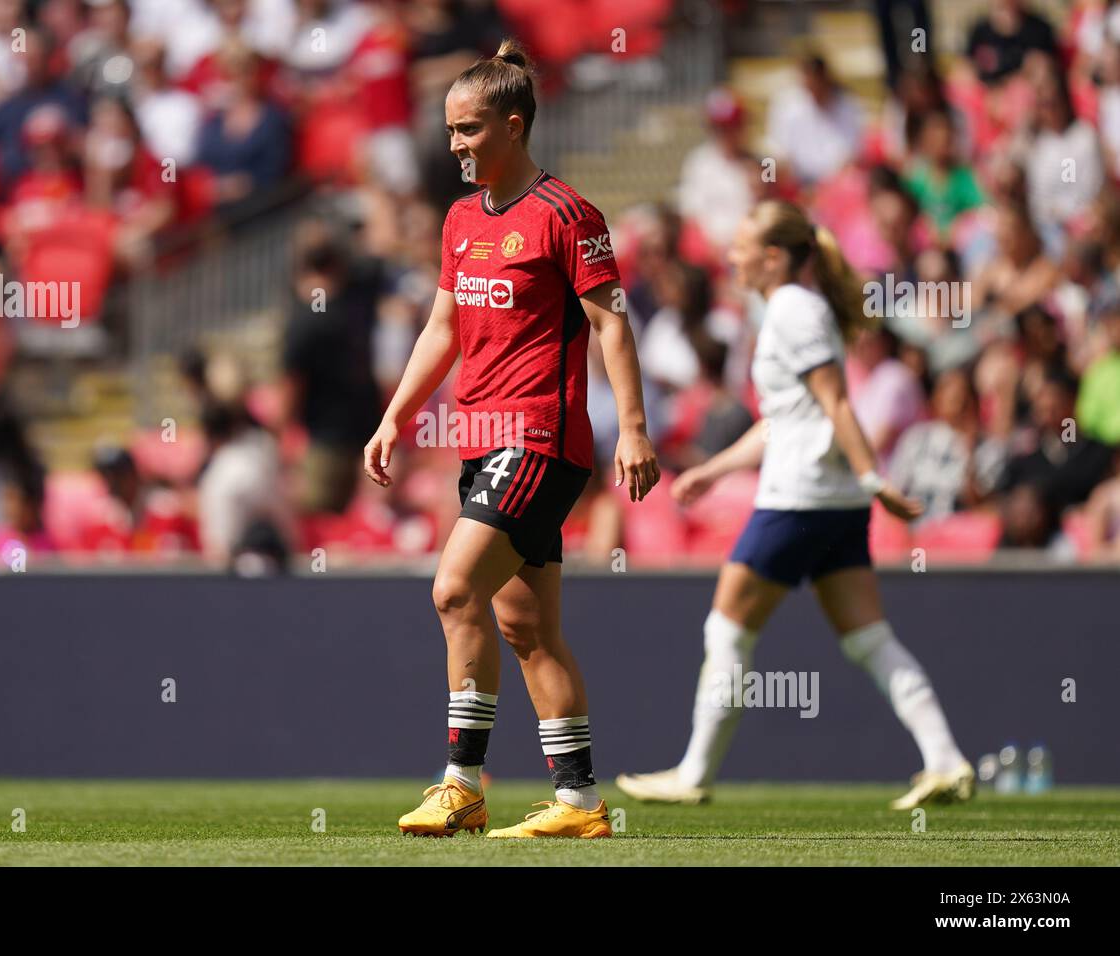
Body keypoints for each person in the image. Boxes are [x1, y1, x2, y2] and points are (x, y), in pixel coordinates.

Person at [363, 38, 659, 839]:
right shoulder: (461, 219)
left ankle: (461, 783)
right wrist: (396, 414)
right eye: (450, 130)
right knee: (529, 629)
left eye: (468, 130)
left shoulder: (567, 214)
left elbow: (612, 325)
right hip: (480, 440)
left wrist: (633, 429)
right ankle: (580, 802)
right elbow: (443, 326)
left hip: (540, 437)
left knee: (453, 589)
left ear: (514, 124)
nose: (454, 145)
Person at [616, 199, 975, 811]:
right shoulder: (793, 310)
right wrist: (714, 468)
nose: (731, 255)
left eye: (743, 245)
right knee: (868, 639)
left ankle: (693, 773)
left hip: (800, 499)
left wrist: (873, 477)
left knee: (725, 627)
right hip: (830, 501)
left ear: (774, 257)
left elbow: (837, 404)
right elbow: (786, 418)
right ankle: (945, 759)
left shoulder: (790, 311)